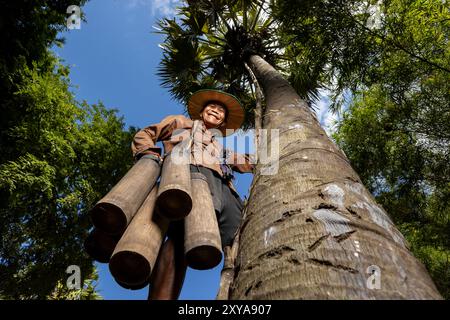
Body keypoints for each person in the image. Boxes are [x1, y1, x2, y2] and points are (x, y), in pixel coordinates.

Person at [131, 89, 254, 299]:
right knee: (180, 239)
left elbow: (245, 162)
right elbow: (146, 134)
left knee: (239, 240)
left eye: (221, 110)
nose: (216, 110)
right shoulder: (181, 123)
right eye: (211, 107)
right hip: (190, 176)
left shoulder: (218, 146)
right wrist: (149, 154)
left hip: (224, 188)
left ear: (223, 120)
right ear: (202, 111)